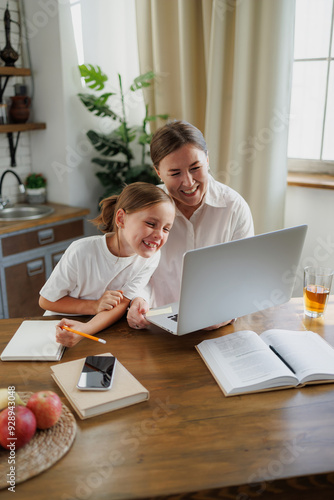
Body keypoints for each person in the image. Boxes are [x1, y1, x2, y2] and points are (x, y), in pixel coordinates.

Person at [127, 120, 254, 330]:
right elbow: (138, 272)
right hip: (160, 326)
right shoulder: (146, 210)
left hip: (220, 326)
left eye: (195, 168)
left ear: (207, 160)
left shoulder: (233, 207)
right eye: (175, 173)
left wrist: (228, 310)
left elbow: (246, 274)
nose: (188, 182)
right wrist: (139, 300)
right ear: (158, 172)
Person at [39, 182, 175, 347]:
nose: (159, 235)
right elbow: (46, 301)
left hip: (93, 329)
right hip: (58, 329)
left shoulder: (150, 257)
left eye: (166, 229)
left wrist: (86, 330)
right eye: (151, 224)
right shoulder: (81, 251)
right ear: (121, 219)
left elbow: (122, 302)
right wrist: (94, 306)